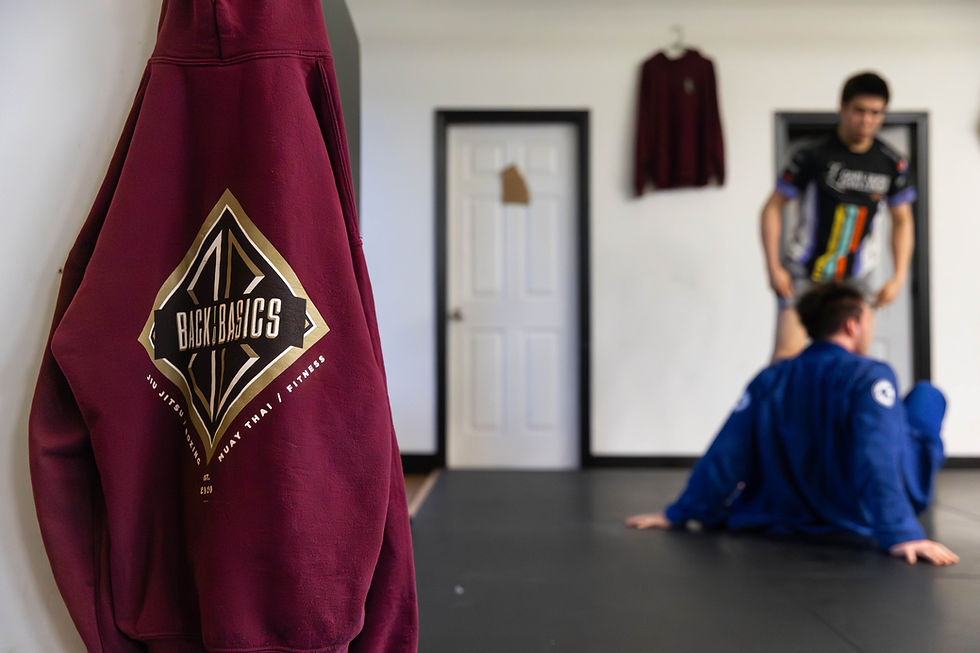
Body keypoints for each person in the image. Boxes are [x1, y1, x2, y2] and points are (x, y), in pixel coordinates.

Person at [626, 283, 958, 566]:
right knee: (927, 397)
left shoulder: (771, 377)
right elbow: (876, 454)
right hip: (858, 514)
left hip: (781, 510)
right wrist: (901, 533)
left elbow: (729, 451)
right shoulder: (870, 375)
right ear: (853, 325)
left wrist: (680, 512)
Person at [760, 71, 916, 362]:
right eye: (859, 111)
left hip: (857, 278)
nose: (866, 121)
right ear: (842, 108)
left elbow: (903, 220)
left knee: (855, 362)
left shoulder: (891, 163)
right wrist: (773, 267)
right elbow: (772, 207)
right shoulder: (811, 155)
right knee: (785, 359)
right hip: (805, 272)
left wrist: (898, 277)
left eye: (875, 113)